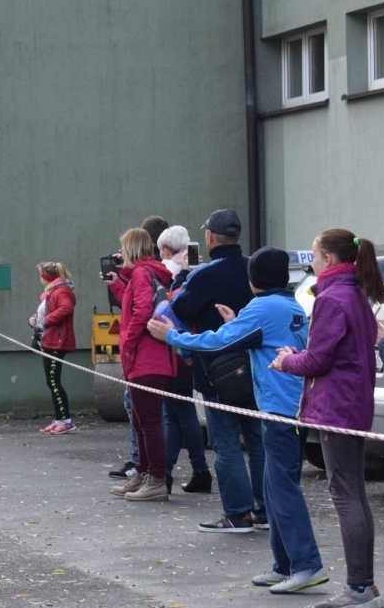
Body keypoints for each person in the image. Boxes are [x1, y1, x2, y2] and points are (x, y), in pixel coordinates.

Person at [151, 247, 322, 593]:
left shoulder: (262, 307)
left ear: (253, 280)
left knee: (284, 490)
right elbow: (258, 338)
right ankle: (284, 564)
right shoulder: (291, 305)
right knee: (274, 489)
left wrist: (171, 336)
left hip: (279, 410)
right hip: (293, 406)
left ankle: (306, 565)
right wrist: (236, 324)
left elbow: (216, 344)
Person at [276, 230, 384, 608]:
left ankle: (359, 587)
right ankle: (363, 586)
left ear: (330, 260)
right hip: (352, 404)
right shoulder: (355, 294)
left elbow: (317, 361)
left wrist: (285, 360)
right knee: (354, 493)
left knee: (345, 495)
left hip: (335, 407)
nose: (314, 263)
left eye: (317, 255)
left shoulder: (331, 298)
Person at [170, 208, 267, 533]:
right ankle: (265, 511)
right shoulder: (253, 267)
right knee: (257, 441)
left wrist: (183, 278)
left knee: (226, 443)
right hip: (254, 367)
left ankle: (237, 513)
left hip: (215, 371)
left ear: (210, 237)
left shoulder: (204, 275)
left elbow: (179, 309)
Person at [107, 227, 179, 501]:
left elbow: (141, 312)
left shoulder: (140, 273)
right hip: (153, 358)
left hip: (145, 359)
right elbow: (138, 300)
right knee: (141, 420)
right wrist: (117, 282)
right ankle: (143, 472)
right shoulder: (147, 273)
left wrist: (128, 345)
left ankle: (155, 478)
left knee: (148, 422)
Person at [155, 227, 212, 493]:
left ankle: (185, 471)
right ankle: (172, 471)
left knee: (178, 413)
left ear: (166, 250)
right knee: (176, 412)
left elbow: (174, 305)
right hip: (190, 347)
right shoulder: (201, 270)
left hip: (176, 347)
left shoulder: (172, 272)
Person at [28, 262, 76, 434]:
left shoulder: (61, 291)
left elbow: (66, 309)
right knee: (52, 381)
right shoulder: (51, 291)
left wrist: (46, 320)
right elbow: (43, 313)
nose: (39, 278)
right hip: (48, 341)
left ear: (46, 276)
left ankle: (66, 420)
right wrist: (33, 321)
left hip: (57, 342)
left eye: (40, 275)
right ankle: (58, 419)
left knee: (54, 382)